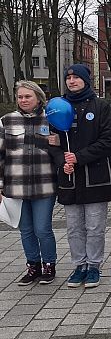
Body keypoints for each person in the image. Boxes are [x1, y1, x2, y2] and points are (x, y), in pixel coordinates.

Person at [54, 64, 111, 289]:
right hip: (69, 176)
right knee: (73, 226)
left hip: (96, 175)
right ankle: (78, 265)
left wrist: (78, 157)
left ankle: (93, 265)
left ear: (86, 80)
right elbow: (51, 142)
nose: (71, 81)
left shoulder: (100, 106)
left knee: (94, 226)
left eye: (76, 77)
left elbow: (106, 141)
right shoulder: (56, 107)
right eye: (68, 78)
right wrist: (63, 161)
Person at [0, 81, 60, 285]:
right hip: (16, 186)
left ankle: (49, 265)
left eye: (28, 96)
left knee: (42, 228)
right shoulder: (7, 121)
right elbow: (0, 156)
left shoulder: (51, 120)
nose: (23, 100)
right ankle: (33, 265)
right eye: (20, 97)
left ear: (38, 98)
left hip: (45, 185)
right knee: (25, 229)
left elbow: (59, 151)